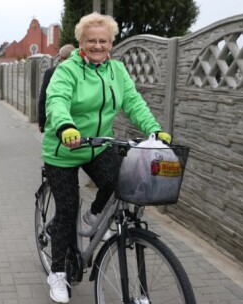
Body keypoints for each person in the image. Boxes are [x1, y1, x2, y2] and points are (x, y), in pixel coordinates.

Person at [42, 12, 172, 303]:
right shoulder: (68, 70)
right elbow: (57, 100)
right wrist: (65, 126)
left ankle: (95, 215)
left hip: (99, 145)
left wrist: (153, 130)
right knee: (66, 210)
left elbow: (134, 102)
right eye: (91, 41)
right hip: (65, 148)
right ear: (81, 42)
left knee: (122, 180)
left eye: (103, 41)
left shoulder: (117, 71)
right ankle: (58, 272)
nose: (98, 46)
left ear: (111, 43)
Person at [38, 44, 75, 133]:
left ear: (61, 56)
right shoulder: (82, 71)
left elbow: (44, 98)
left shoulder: (51, 72)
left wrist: (42, 122)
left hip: (55, 120)